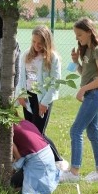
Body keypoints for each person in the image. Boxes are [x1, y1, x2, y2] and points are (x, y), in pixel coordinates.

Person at [60, 17, 98, 184]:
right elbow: (85, 73)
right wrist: (75, 62)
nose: (77, 38)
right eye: (76, 35)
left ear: (89, 32)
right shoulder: (87, 51)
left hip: (96, 95)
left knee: (75, 131)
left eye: (79, 34)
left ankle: (74, 172)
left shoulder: (97, 50)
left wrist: (83, 89)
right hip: (92, 95)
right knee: (93, 132)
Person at [16, 25, 68, 169]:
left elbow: (55, 82)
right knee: (30, 133)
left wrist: (45, 102)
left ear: (47, 42)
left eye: (40, 43)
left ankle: (58, 161)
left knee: (38, 133)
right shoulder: (26, 55)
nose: (36, 45)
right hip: (28, 98)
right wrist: (20, 94)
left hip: (43, 99)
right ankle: (35, 161)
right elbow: (21, 77)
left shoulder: (53, 58)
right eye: (34, 42)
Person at [11, 119, 60, 194]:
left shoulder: (10, 132)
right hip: (48, 156)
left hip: (38, 162)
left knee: (14, 183)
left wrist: (11, 170)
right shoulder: (25, 122)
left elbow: (18, 160)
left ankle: (25, 189)